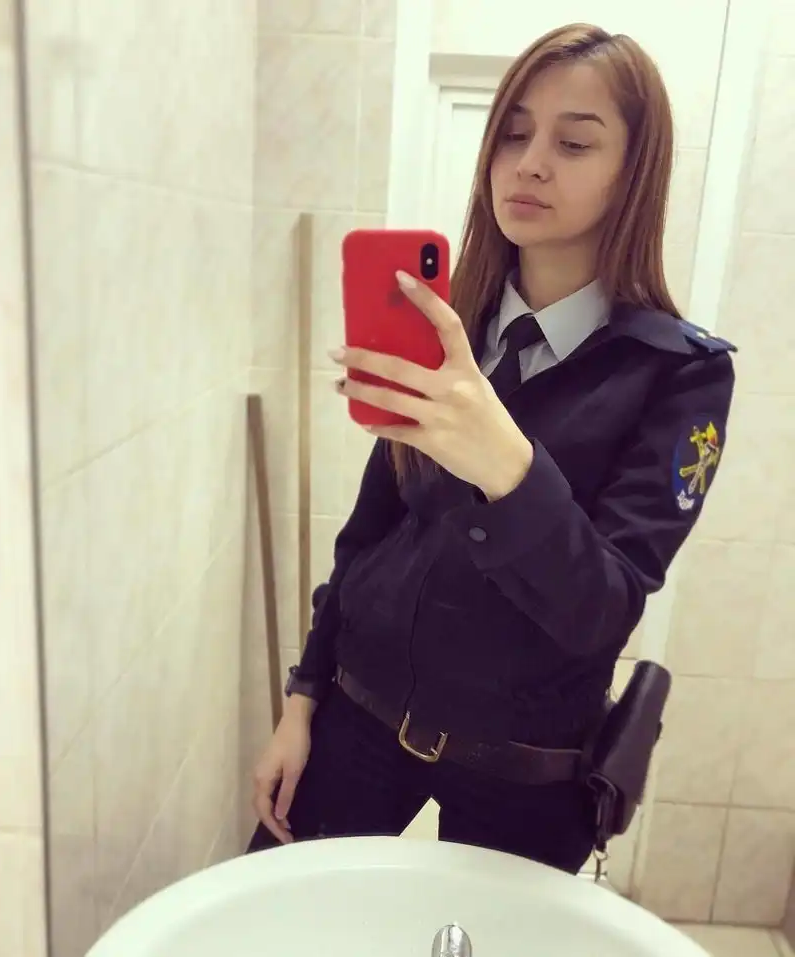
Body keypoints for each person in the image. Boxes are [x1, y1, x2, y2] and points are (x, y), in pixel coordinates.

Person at [248, 22, 735, 874]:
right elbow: (367, 538)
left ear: (634, 173)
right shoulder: (447, 335)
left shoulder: (680, 375)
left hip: (527, 777)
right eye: (513, 133)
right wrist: (302, 698)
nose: (530, 163)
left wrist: (506, 463)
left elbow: (603, 608)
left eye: (573, 143)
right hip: (356, 724)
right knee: (273, 920)